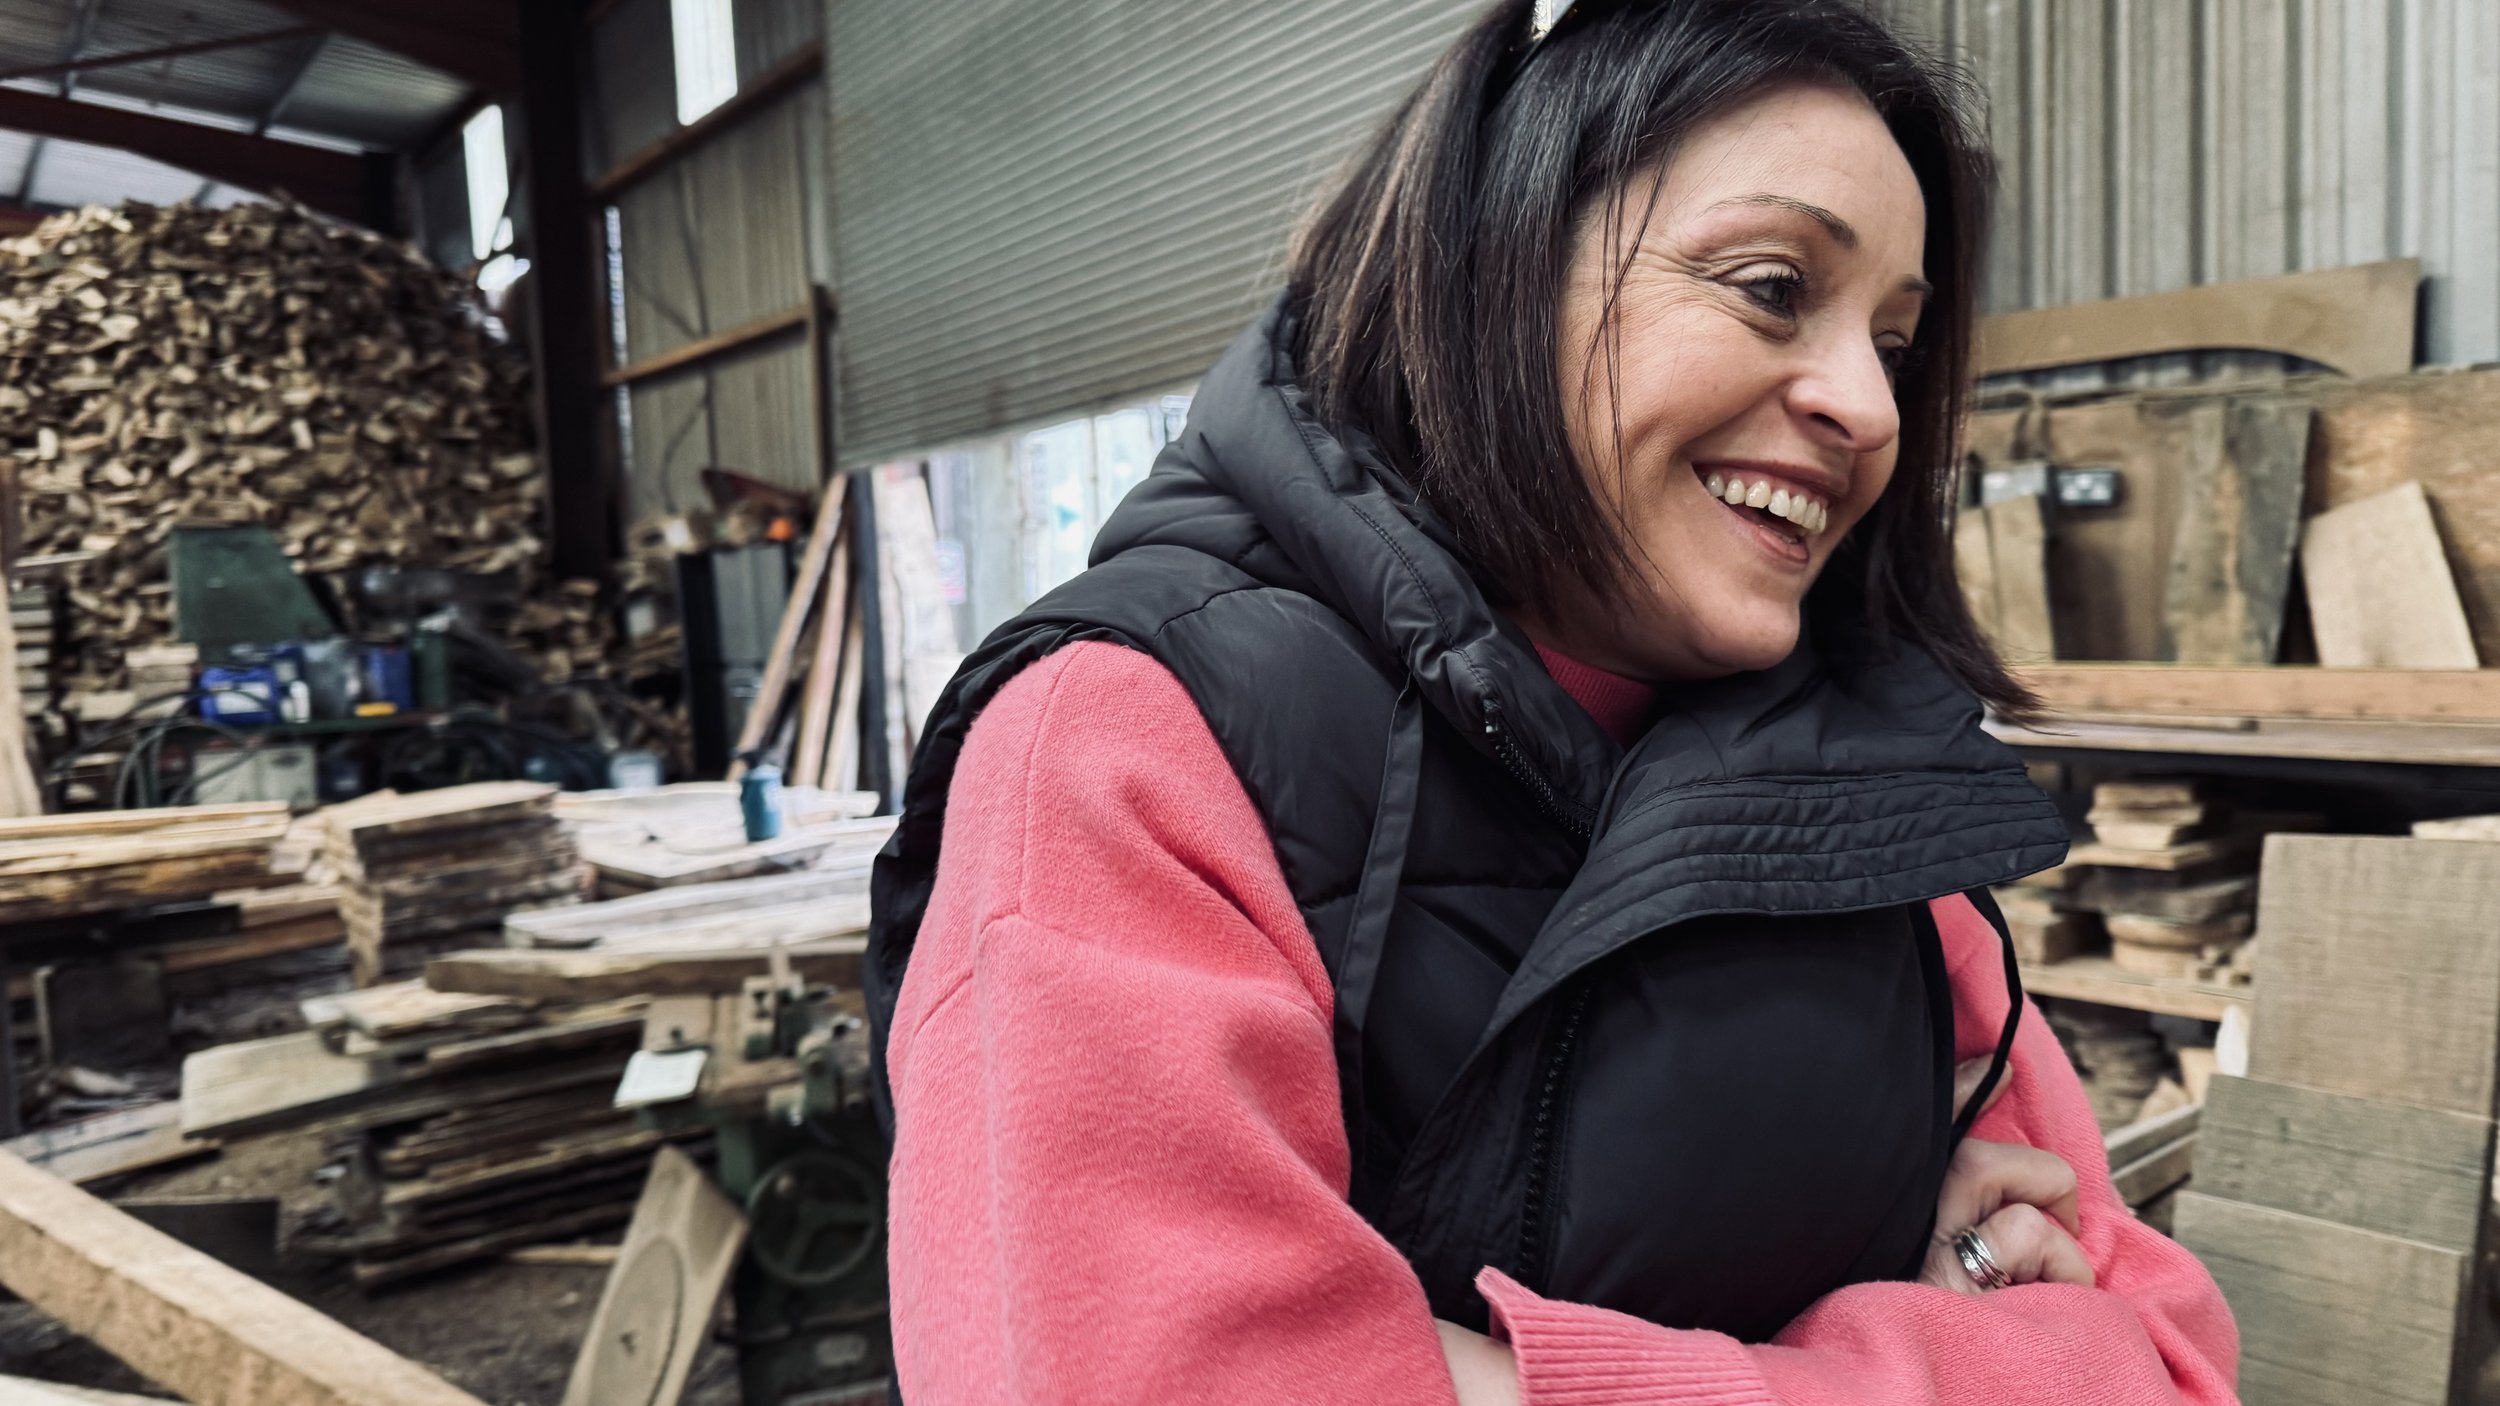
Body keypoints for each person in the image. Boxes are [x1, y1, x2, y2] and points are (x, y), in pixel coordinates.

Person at [865, 0, 2241, 1401]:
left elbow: (2171, 1352)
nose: (1871, 406)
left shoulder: (1853, 789)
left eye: (1893, 340)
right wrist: (1956, 1348)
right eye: (1773, 285)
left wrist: (1494, 1376)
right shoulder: (1131, 755)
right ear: (1493, 267)